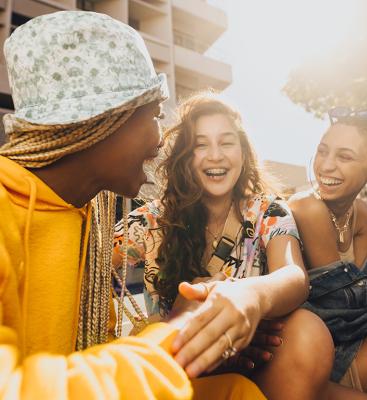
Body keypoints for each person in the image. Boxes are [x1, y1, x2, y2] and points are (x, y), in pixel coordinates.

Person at [0, 11, 267, 399]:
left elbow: (98, 349)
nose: (161, 141)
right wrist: (174, 336)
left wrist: (199, 341)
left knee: (236, 391)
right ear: (103, 122)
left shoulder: (90, 215)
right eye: (156, 114)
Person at [114, 93, 364, 400]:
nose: (215, 155)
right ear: (184, 156)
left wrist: (250, 296)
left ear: (244, 153)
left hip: (257, 362)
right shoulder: (151, 220)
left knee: (306, 331)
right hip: (181, 366)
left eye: (227, 142)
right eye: (200, 144)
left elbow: (293, 276)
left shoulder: (268, 212)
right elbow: (91, 264)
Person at [289, 107, 367, 400]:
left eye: (344, 156)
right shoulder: (307, 208)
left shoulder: (361, 215)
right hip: (317, 358)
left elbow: (363, 304)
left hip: (357, 338)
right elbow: (341, 312)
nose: (326, 165)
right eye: (323, 151)